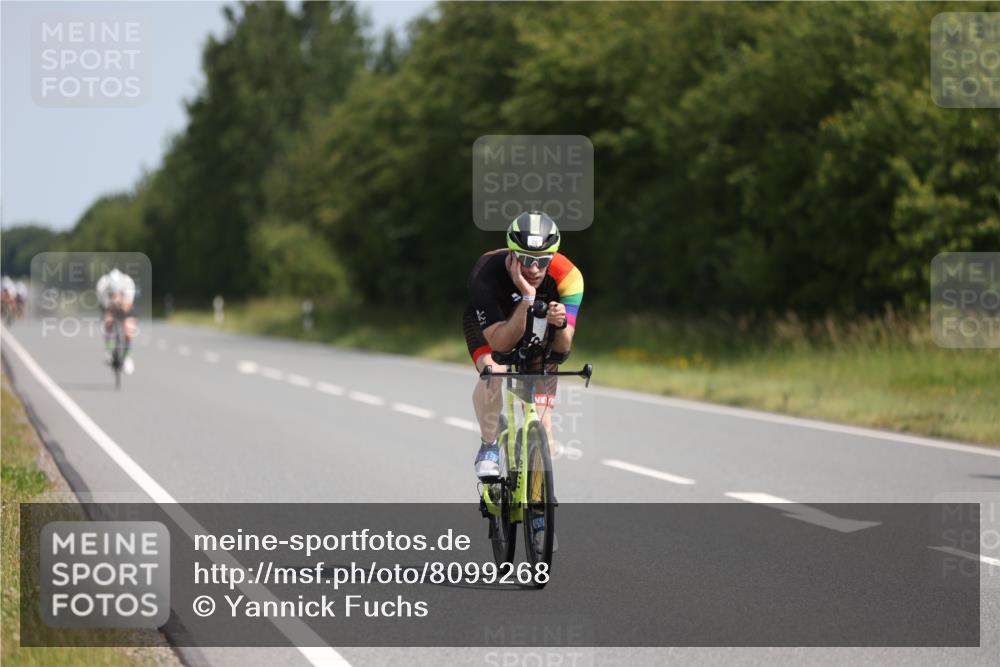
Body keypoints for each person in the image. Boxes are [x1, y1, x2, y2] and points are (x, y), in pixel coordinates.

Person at [462, 211, 584, 480]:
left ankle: (535, 493)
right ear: (512, 254)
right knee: (493, 373)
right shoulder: (486, 272)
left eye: (543, 261)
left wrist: (561, 324)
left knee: (545, 432)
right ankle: (490, 445)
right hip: (492, 325)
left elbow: (562, 351)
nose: (534, 269)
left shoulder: (569, 277)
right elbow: (500, 344)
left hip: (538, 324)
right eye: (526, 259)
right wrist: (528, 297)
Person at [96, 268, 138, 374]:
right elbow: (105, 307)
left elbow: (128, 307)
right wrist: (112, 302)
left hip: (125, 305)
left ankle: (127, 357)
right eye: (112, 292)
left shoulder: (128, 283)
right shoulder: (102, 285)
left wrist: (121, 300)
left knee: (129, 328)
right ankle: (109, 351)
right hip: (108, 307)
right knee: (108, 321)